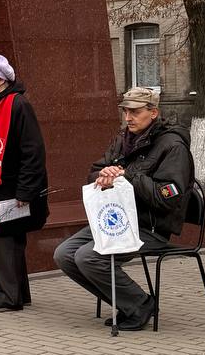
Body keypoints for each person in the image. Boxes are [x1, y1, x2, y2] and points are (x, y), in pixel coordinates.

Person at [54, 87, 194, 331]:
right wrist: (103, 175)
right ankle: (128, 304)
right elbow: (93, 173)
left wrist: (127, 176)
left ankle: (140, 305)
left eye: (135, 112)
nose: (128, 117)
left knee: (87, 257)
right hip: (117, 219)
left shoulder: (173, 146)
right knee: (64, 254)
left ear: (153, 113)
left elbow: (168, 197)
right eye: (125, 111)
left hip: (151, 226)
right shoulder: (123, 139)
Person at [0, 53, 48, 312]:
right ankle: (16, 293)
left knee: (6, 240)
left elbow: (32, 151)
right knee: (2, 239)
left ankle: (7, 297)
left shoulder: (17, 105)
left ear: (1, 80)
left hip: (11, 186)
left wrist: (26, 190)